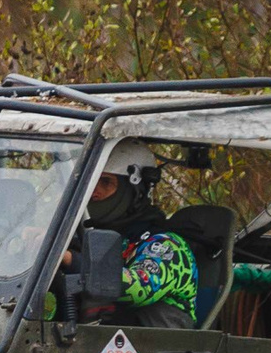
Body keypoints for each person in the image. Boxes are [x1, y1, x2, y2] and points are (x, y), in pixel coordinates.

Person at [70, 140, 200, 330]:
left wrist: (72, 260)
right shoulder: (96, 238)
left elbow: (136, 289)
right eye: (91, 181)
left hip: (155, 346)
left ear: (135, 190)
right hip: (101, 344)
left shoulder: (168, 246)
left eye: (105, 182)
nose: (93, 192)